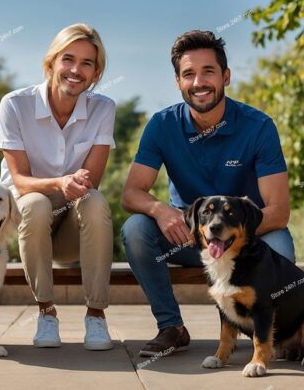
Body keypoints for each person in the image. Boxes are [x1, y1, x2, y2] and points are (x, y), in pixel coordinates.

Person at [120, 30, 295, 357]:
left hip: (249, 238)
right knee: (136, 230)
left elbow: (278, 211)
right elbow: (131, 193)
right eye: (189, 74)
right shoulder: (161, 124)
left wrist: (232, 236)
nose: (199, 81)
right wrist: (161, 210)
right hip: (189, 238)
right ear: (178, 82)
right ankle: (171, 327)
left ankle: (272, 333)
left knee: (281, 249)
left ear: (226, 76)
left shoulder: (258, 126)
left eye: (208, 72)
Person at [0, 23, 116, 351]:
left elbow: (92, 180)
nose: (76, 70)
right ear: (51, 63)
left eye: (87, 63)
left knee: (96, 201)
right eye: (68, 59)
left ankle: (96, 316)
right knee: (34, 203)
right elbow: (18, 180)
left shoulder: (103, 108)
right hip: (30, 223)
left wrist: (73, 185)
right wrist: (60, 182)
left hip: (72, 231)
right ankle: (46, 314)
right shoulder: (14, 105)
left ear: (96, 73)